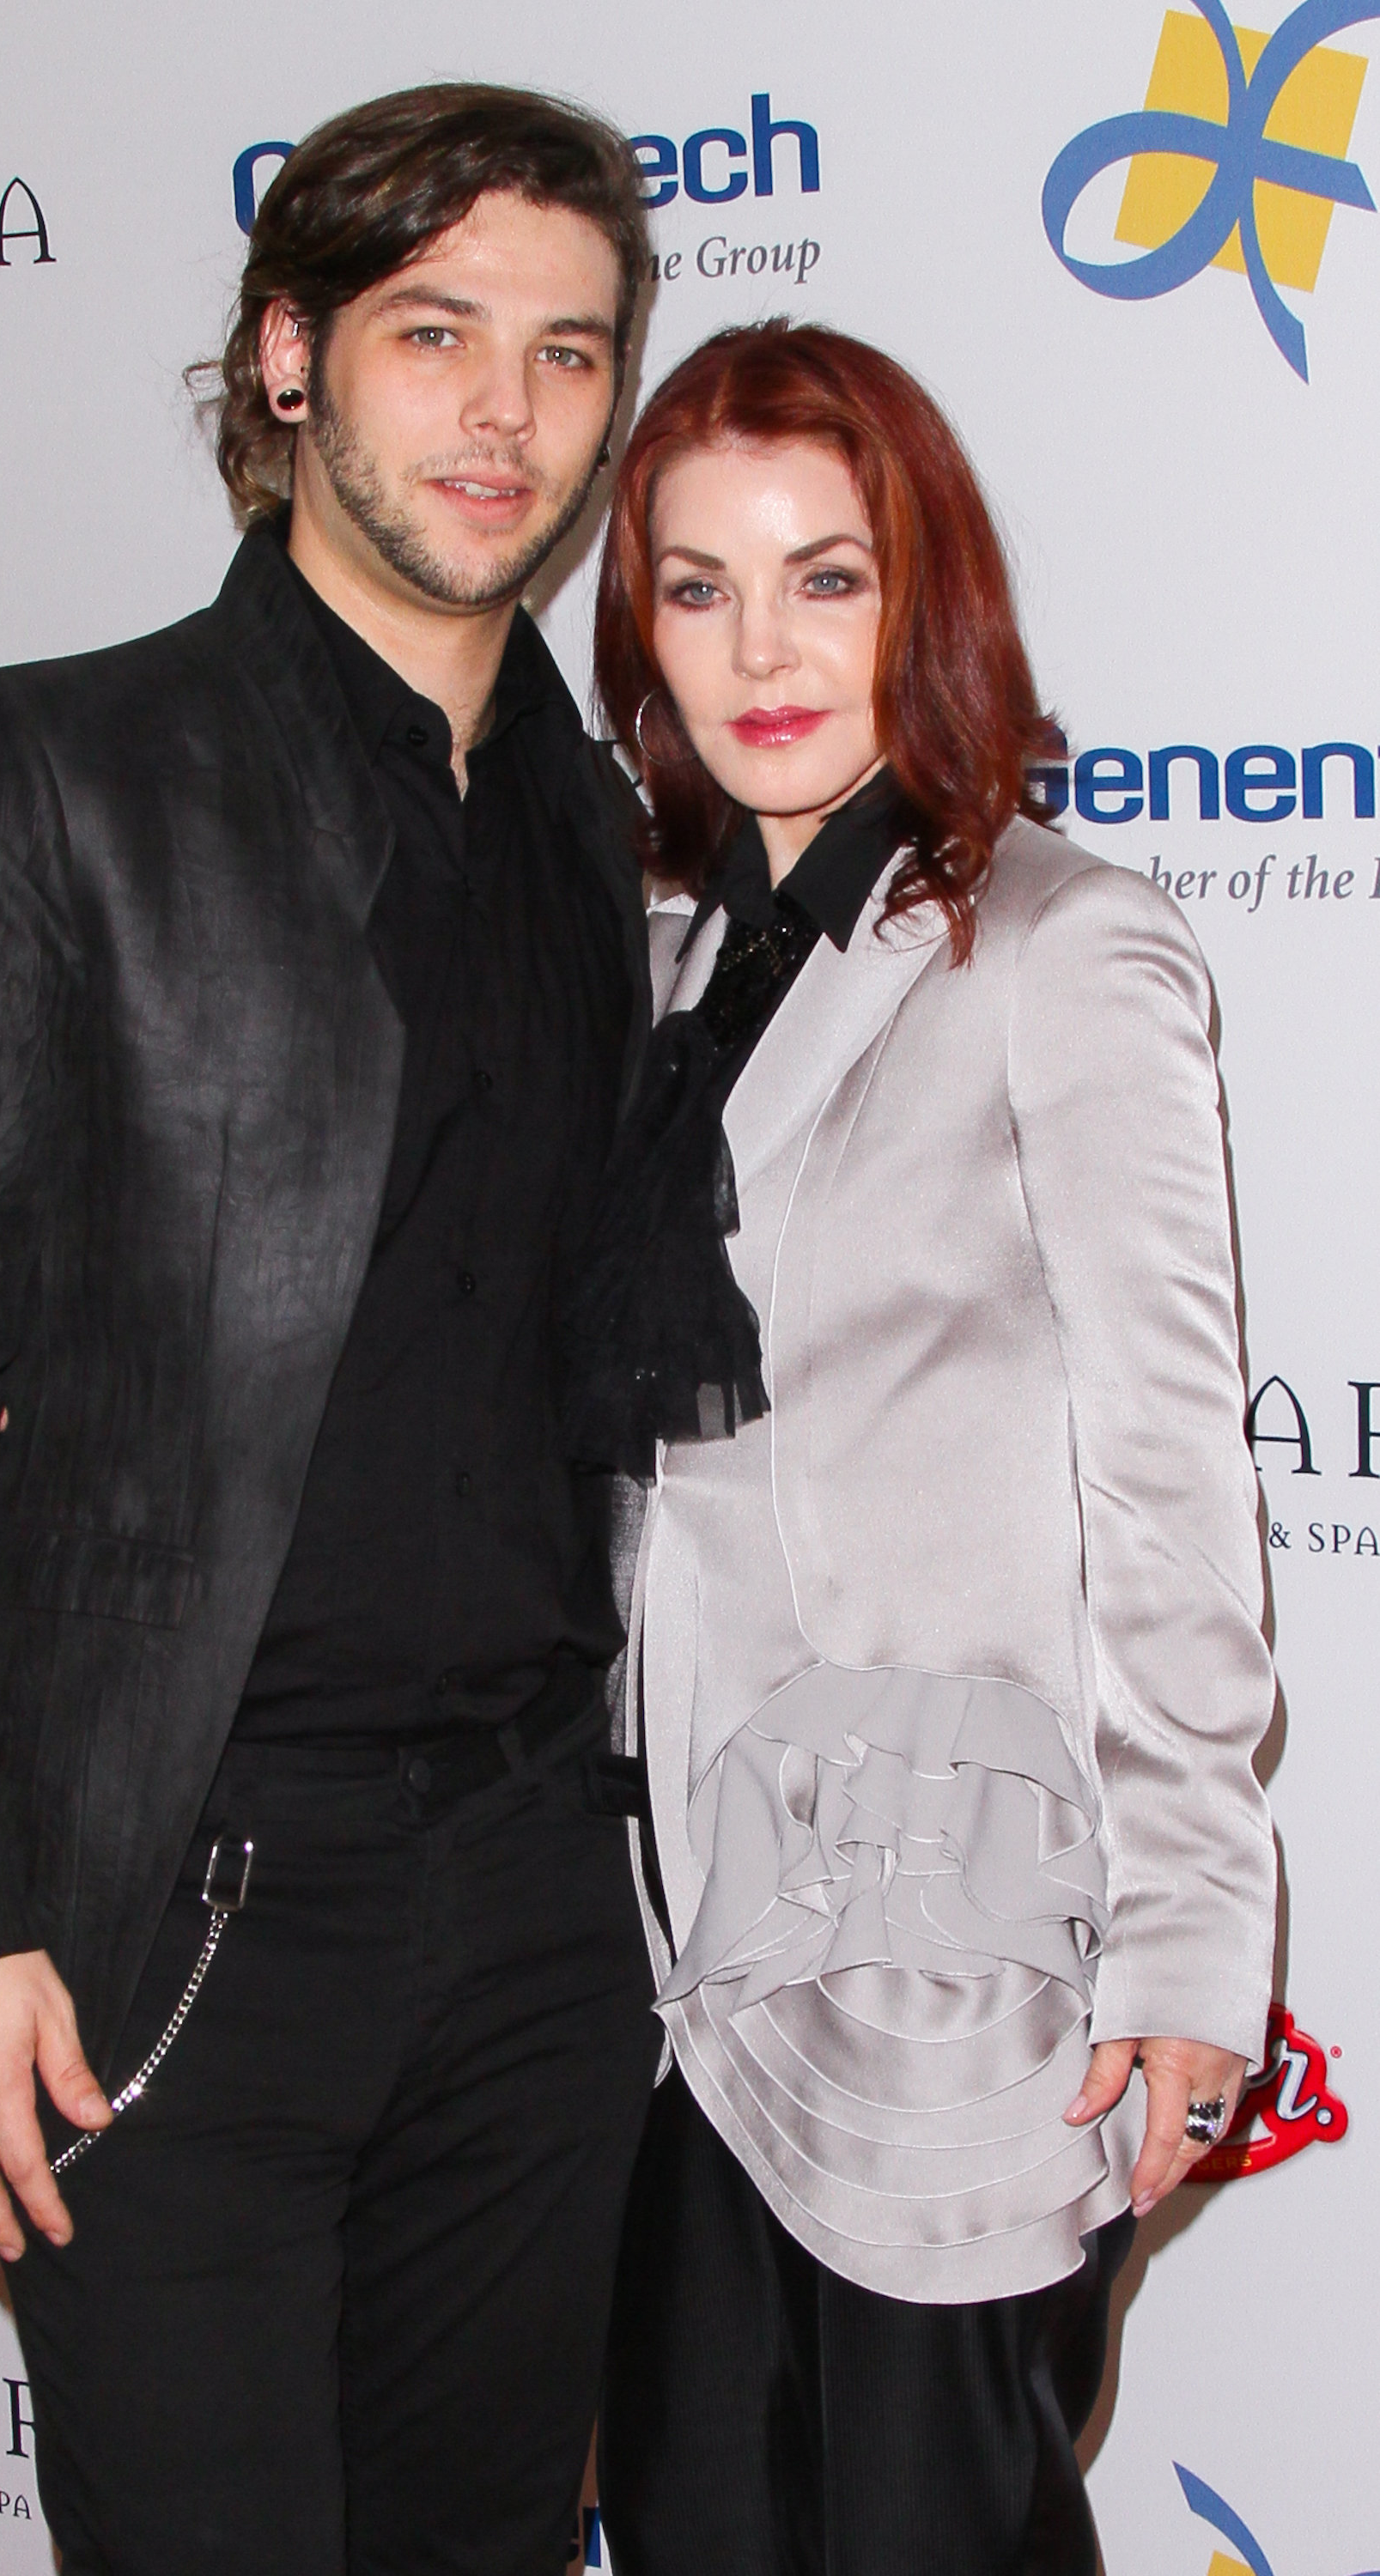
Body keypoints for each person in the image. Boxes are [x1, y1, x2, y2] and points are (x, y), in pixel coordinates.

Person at [0, 85, 663, 2576]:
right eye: (433, 335)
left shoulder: (600, 834)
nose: (504, 415)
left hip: (531, 1902)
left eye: (567, 353)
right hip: (174, 1911)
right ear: (288, 359)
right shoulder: (50, 768)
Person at [562, 322, 1277, 2575]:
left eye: (823, 577)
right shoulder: (656, 975)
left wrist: (1183, 1946)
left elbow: (1168, 1475)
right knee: (687, 2528)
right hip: (664, 1972)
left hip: (954, 1965)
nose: (758, 650)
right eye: (694, 588)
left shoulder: (1057, 947)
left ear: (926, 596)